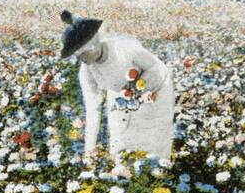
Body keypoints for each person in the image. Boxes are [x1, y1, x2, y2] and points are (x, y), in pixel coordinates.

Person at [59, 9, 175, 164]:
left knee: (152, 149)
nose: (83, 59)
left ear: (95, 41)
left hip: (156, 86)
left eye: (84, 53)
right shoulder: (87, 72)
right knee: (119, 147)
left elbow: (154, 69)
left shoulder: (125, 48)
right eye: (78, 56)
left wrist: (138, 88)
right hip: (121, 94)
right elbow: (92, 110)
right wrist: (89, 152)